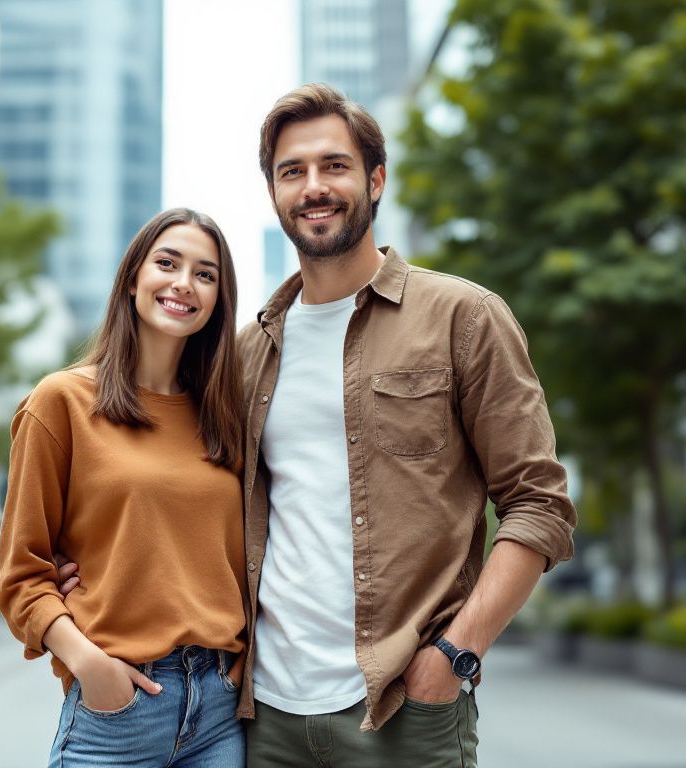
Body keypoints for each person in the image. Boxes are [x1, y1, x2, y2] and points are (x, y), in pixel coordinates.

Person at [231, 83, 578, 766]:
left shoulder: (464, 317)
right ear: (273, 192)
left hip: (403, 708)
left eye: (334, 165)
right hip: (264, 716)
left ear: (376, 178)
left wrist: (454, 655)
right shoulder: (247, 352)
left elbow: (538, 506)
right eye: (291, 171)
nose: (313, 187)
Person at [0, 207, 248, 767]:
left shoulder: (226, 418)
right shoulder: (61, 403)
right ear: (133, 278)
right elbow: (20, 572)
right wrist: (89, 665)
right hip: (119, 707)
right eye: (167, 263)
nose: (184, 283)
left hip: (219, 711)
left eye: (206, 274)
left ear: (218, 301)